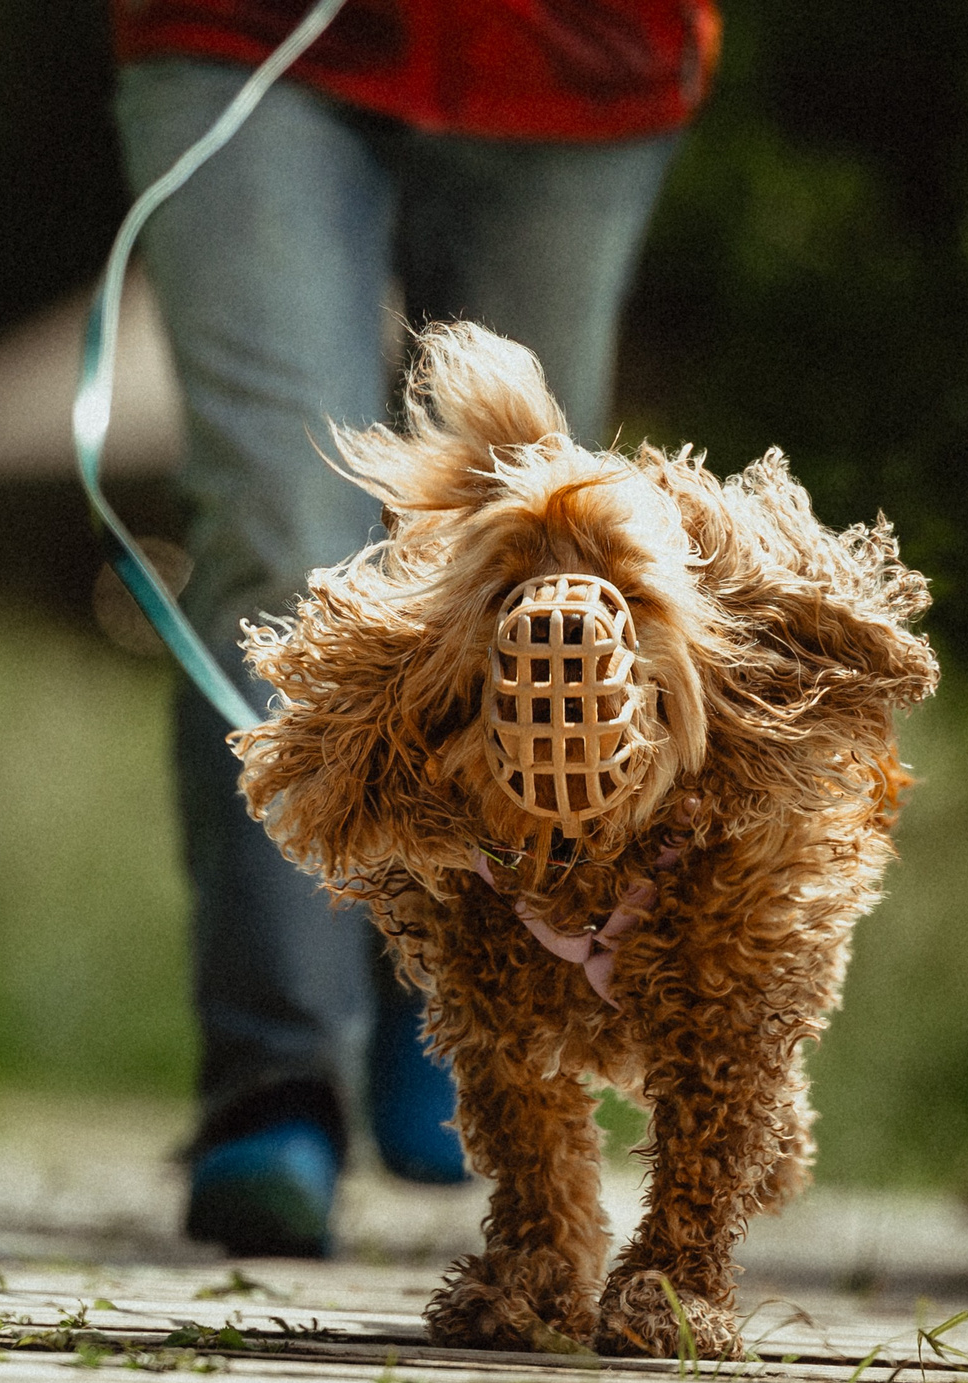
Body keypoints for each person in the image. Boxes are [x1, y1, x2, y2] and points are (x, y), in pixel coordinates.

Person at [112, 0, 719, 1257]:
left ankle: (459, 997)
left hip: (578, 53)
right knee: (277, 528)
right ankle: (276, 1081)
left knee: (535, 555)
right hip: (249, 34)